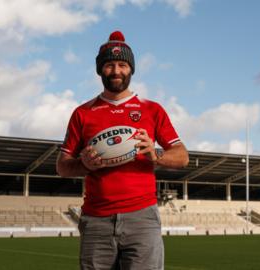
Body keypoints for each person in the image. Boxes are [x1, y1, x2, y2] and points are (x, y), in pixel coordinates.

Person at [56, 30, 189, 270]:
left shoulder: (152, 109)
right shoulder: (83, 113)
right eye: (109, 65)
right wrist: (84, 163)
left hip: (142, 218)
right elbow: (62, 166)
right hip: (97, 219)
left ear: (131, 69)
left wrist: (156, 155)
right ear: (100, 69)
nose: (116, 71)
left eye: (122, 64)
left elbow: (182, 156)